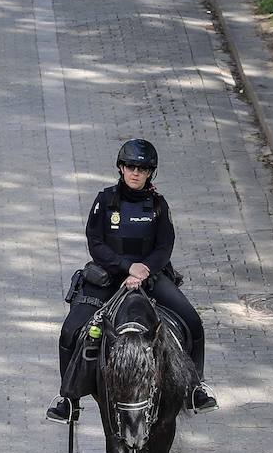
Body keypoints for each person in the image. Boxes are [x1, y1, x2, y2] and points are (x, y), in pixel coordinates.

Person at [46, 139, 218, 422]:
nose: (135, 173)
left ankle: (195, 388)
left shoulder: (159, 206)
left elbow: (165, 246)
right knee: (69, 331)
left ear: (151, 172)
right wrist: (127, 267)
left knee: (193, 322)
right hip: (108, 277)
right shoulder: (104, 201)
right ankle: (68, 399)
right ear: (121, 168)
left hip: (150, 277)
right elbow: (96, 242)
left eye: (142, 168)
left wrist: (145, 270)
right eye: (130, 167)